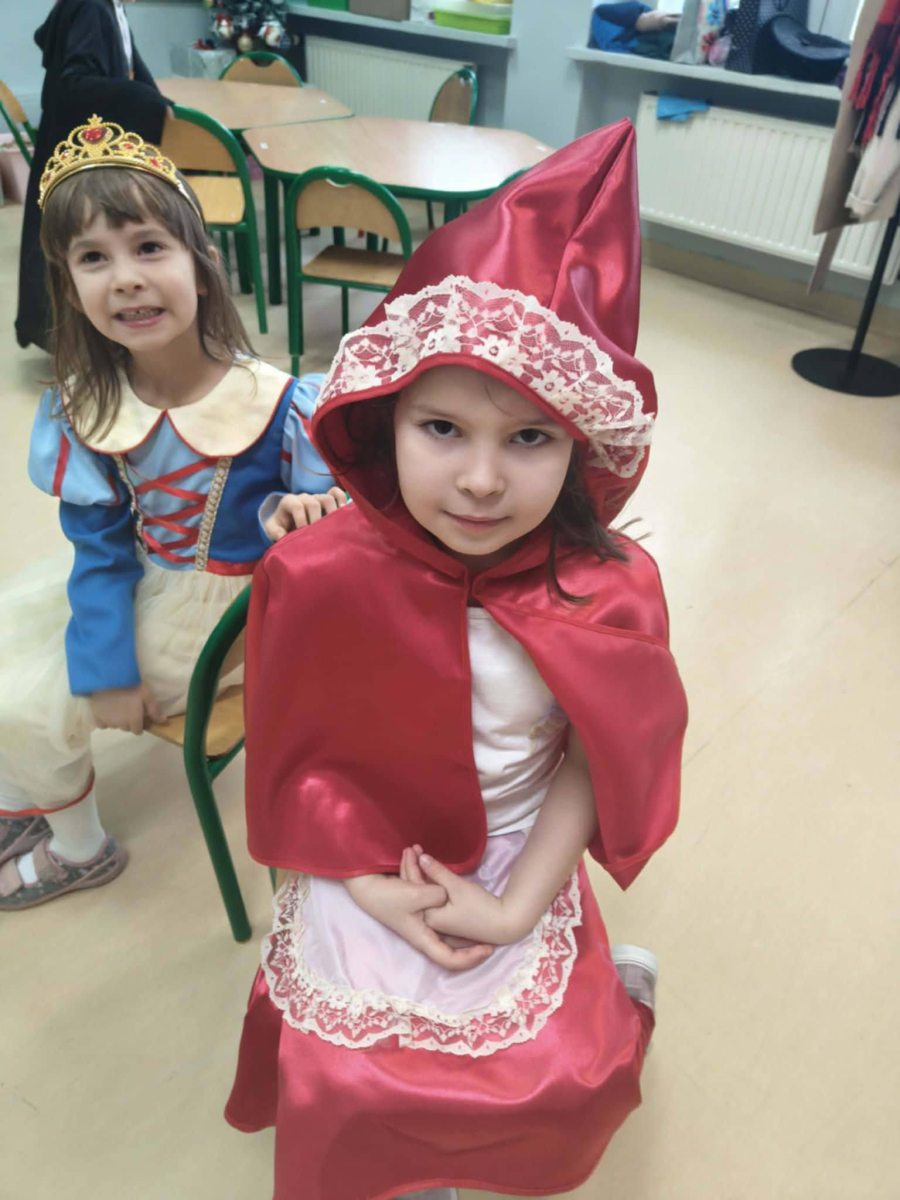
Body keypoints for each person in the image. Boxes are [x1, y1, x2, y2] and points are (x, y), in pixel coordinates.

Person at [225, 121, 689, 1200]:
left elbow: (596, 758)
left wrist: (520, 906)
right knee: (351, 1075)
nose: (482, 481)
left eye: (529, 438)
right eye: (443, 429)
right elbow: (294, 760)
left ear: (582, 445)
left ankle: (592, 1003)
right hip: (355, 852)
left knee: (554, 1076)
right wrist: (363, 881)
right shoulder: (316, 574)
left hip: (522, 850)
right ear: (384, 419)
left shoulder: (608, 591)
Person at [0, 115, 344, 910]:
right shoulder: (86, 409)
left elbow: (331, 549)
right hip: (145, 579)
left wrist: (309, 515)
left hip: (238, 616)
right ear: (68, 288)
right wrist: (106, 665)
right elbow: (99, 547)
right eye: (93, 258)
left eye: (149, 247)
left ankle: (79, 849)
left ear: (203, 267)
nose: (124, 278)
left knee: (24, 697)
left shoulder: (280, 404)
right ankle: (30, 798)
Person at [17, 0, 169, 350]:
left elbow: (134, 67)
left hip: (80, 140)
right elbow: (77, 82)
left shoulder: (111, 7)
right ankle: (72, 338)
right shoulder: (92, 7)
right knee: (75, 236)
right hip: (76, 146)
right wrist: (151, 103)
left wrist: (157, 100)